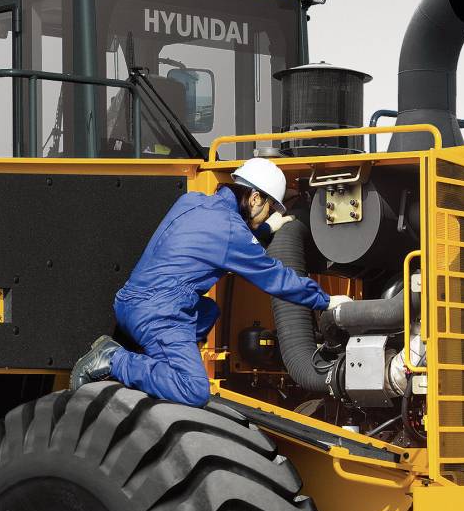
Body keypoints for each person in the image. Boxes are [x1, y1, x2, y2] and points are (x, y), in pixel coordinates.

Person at [72, 157, 351, 406]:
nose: (268, 214)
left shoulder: (192, 201)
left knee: (207, 310)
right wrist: (326, 300)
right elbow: (276, 279)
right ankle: (114, 359)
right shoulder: (230, 231)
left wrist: (265, 228)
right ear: (255, 198)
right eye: (269, 208)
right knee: (193, 390)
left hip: (130, 302)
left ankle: (154, 370)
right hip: (158, 313)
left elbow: (216, 239)